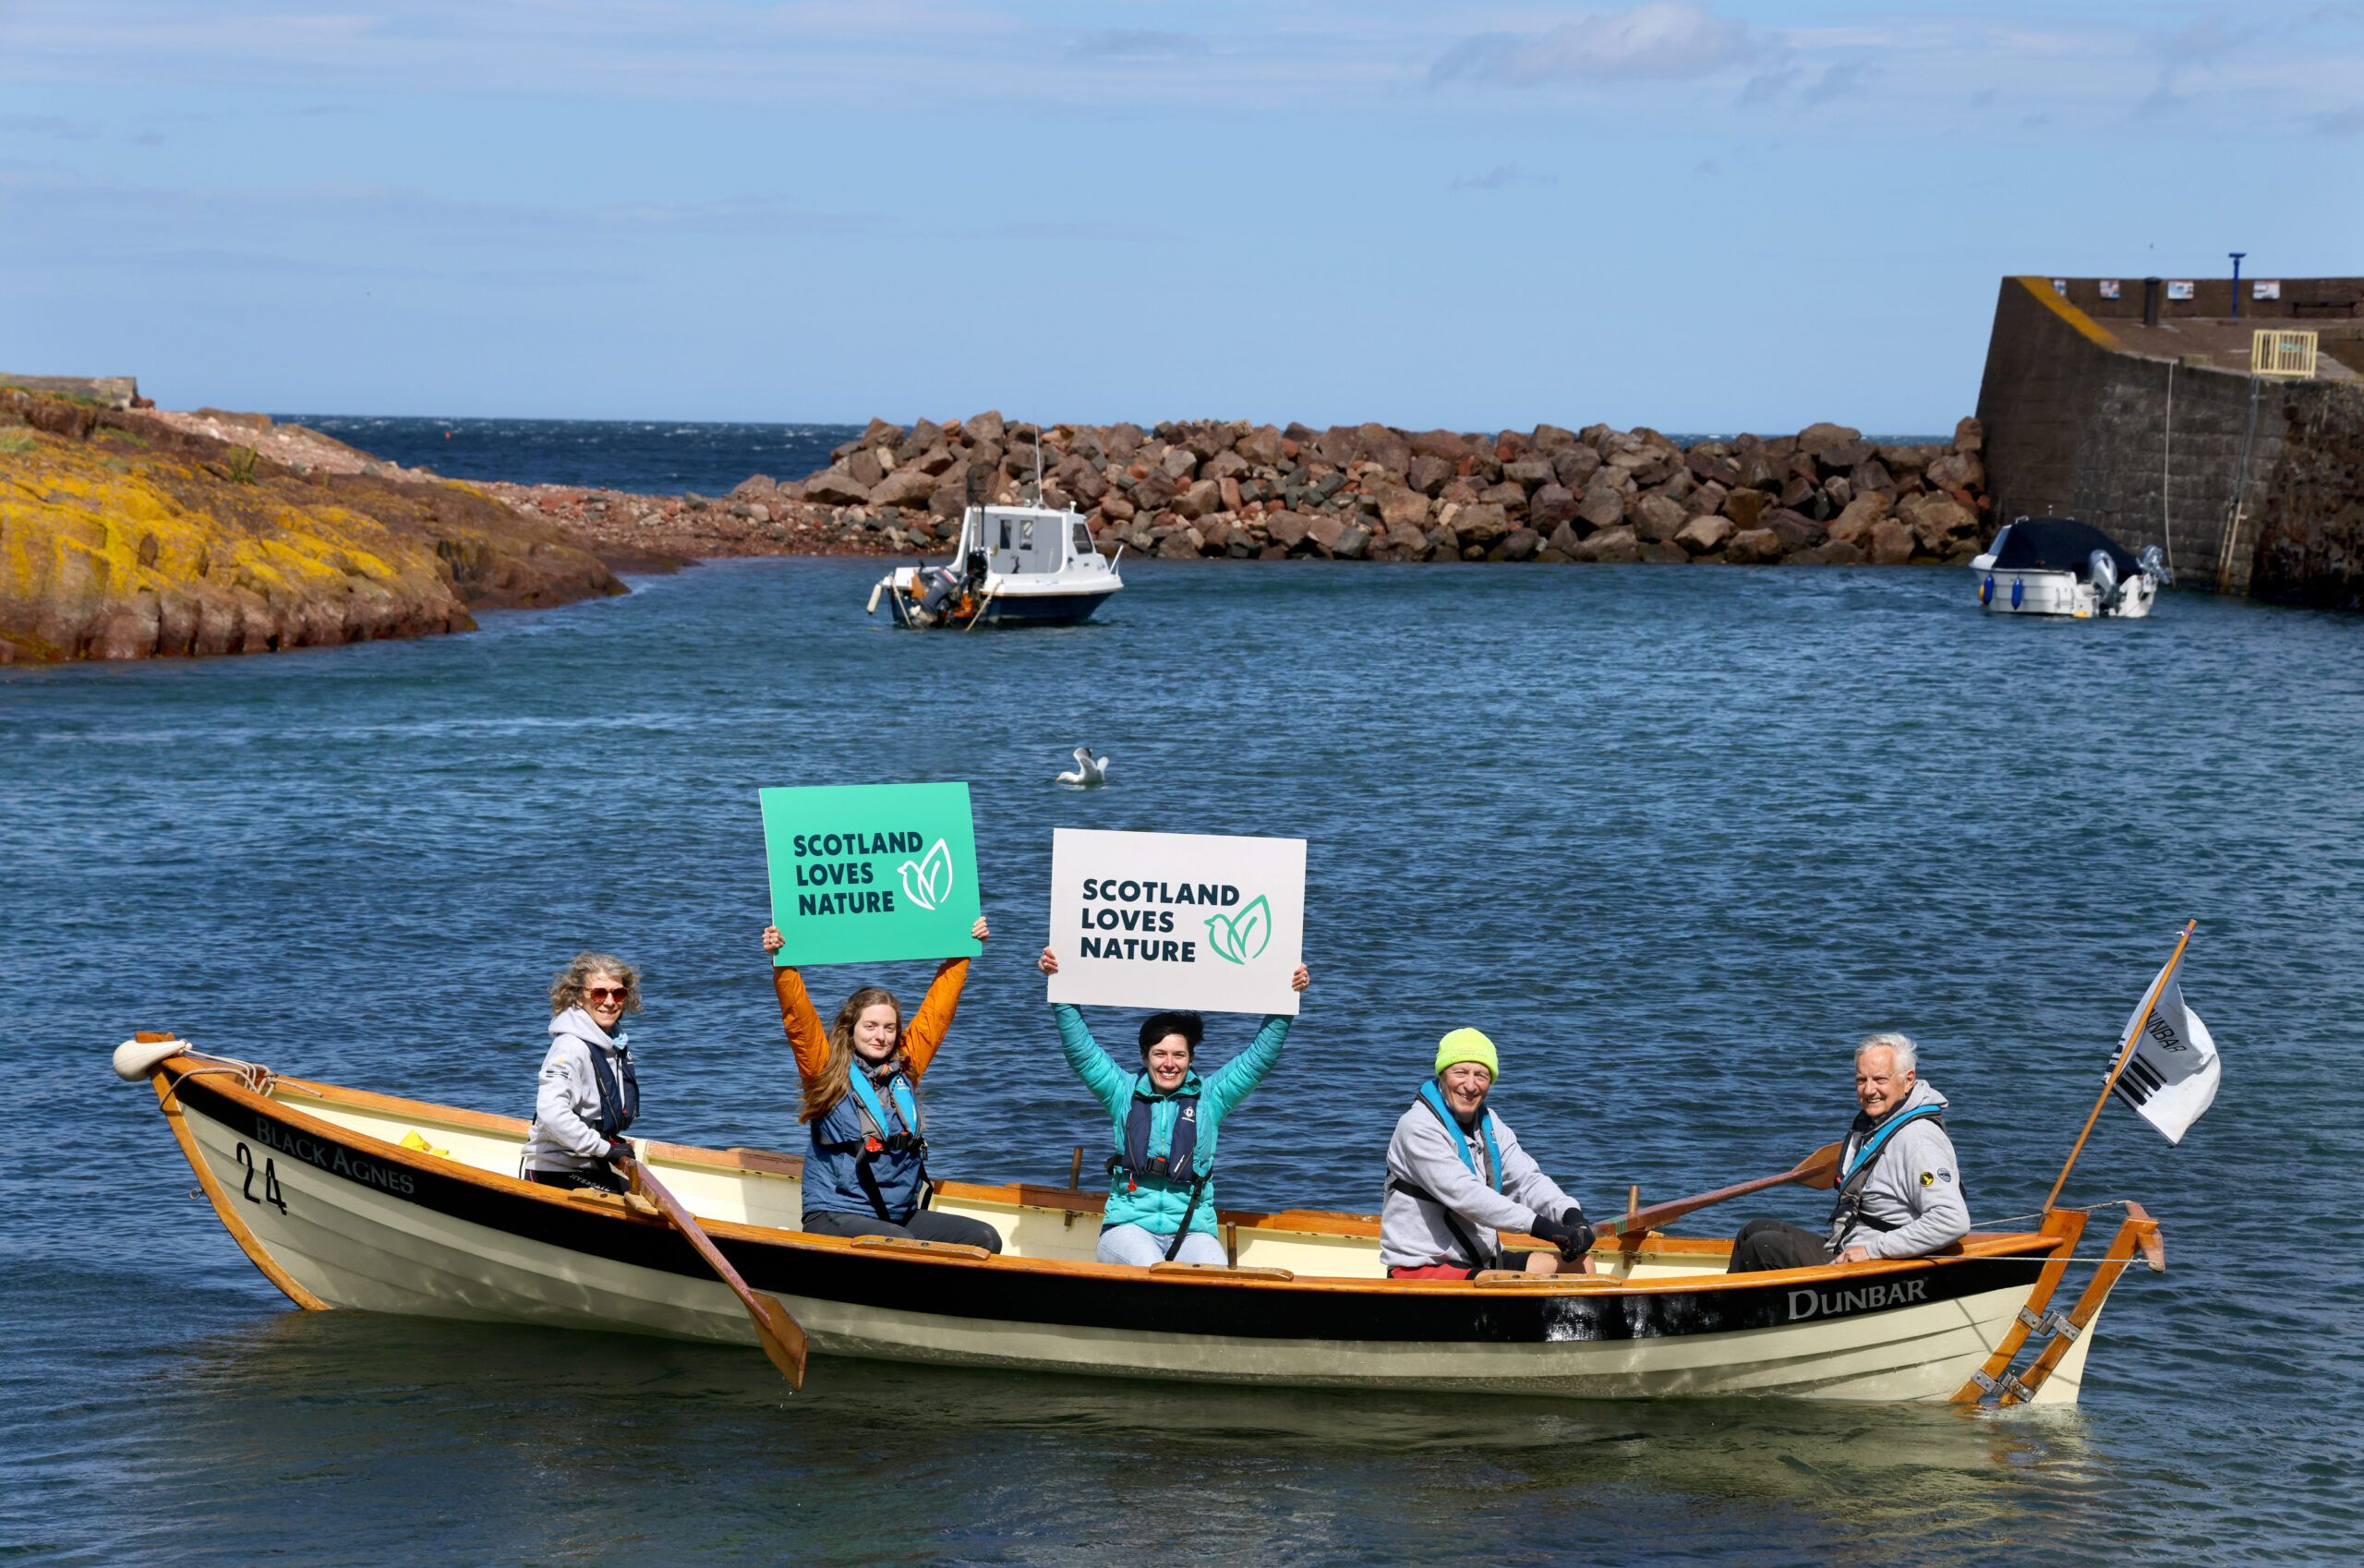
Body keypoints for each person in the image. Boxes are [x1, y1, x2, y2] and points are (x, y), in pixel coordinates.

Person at [1037, 947, 1311, 1266]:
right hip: (1128, 1228)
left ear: (1191, 1059)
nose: (1169, 1064)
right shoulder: (1120, 1091)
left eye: (1178, 1055)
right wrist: (1059, 989)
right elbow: (1081, 1051)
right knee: (1153, 1268)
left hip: (1193, 1231)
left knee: (1214, 1274)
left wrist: (1285, 1000)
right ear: (1145, 1057)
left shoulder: (1212, 1097)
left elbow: (1257, 1061)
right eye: (1159, 1054)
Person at [761, 917, 1004, 1253]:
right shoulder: (825, 1070)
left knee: (984, 1239)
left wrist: (962, 950)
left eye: (889, 1028)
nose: (881, 1036)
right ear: (851, 1028)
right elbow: (798, 1020)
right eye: (871, 1026)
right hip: (834, 1212)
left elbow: (938, 1013)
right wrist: (783, 964)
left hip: (895, 1214)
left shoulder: (905, 1068)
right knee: (901, 1244)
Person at [1726, 1031, 1969, 1273]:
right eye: (1861, 1080)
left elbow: (1951, 1220)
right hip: (1845, 1245)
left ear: (1908, 1080)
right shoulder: (1875, 1124)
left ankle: (1728, 1310)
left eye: (1880, 1079)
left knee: (1762, 1247)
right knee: (1753, 1230)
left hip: (1876, 1263)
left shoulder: (1919, 1139)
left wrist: (1872, 1251)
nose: (1869, 1090)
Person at [1381, 1030, 1597, 1278]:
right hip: (1423, 1266)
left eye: (1481, 1075)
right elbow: (1467, 1196)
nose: (1470, 1085)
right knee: (1507, 1284)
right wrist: (1544, 1229)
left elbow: (1527, 1180)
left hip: (1482, 1261)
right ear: (1442, 1074)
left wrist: (1571, 1215)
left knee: (1582, 1266)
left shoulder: (1490, 1125)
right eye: (1460, 1072)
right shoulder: (1417, 1127)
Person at [522, 951, 644, 1194]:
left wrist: (607, 1147)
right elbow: (551, 1113)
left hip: (591, 1165)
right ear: (579, 997)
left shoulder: (612, 1044)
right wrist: (605, 1150)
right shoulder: (570, 1047)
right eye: (599, 992)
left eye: (617, 993)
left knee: (645, 1201)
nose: (609, 1002)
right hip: (553, 1169)